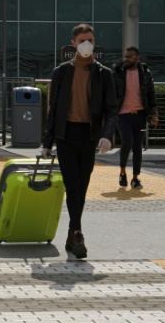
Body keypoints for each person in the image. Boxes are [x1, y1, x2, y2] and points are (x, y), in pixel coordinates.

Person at [41, 23, 118, 259]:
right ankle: (78, 234)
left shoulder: (104, 74)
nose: (87, 44)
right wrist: (47, 142)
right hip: (66, 135)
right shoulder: (62, 72)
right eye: (82, 41)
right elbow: (54, 109)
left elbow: (111, 109)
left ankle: (71, 233)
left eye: (91, 40)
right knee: (72, 185)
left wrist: (106, 135)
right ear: (73, 44)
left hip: (89, 135)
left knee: (81, 187)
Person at [113, 46, 158, 190]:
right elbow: (111, 93)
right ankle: (122, 172)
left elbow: (151, 93)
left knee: (138, 146)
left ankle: (135, 178)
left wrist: (154, 113)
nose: (126, 59)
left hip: (140, 115)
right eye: (125, 56)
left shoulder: (145, 73)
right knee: (127, 143)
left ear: (137, 58)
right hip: (123, 114)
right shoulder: (118, 72)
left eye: (130, 56)